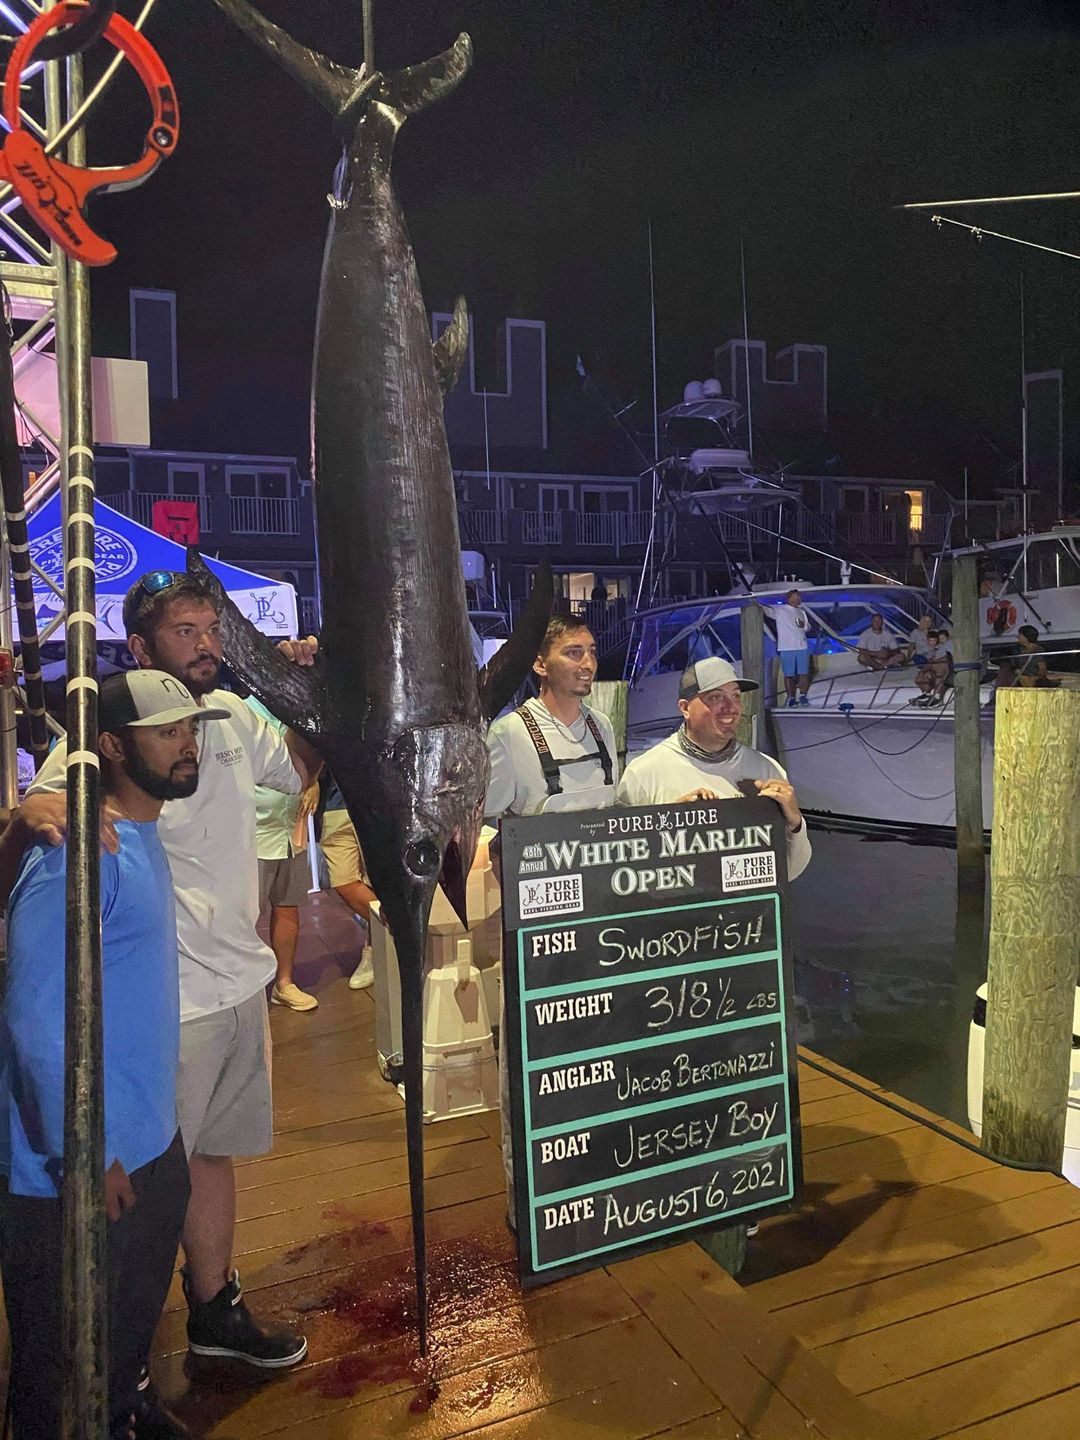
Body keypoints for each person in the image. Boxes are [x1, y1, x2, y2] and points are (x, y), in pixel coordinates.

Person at [10, 570, 322, 1374]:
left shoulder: (229, 720)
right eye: (186, 632)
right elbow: (42, 819)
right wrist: (21, 817)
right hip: (165, 1009)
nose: (207, 645)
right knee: (141, 1193)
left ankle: (213, 1309)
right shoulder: (103, 736)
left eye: (211, 629)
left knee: (210, 1158)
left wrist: (306, 693)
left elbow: (297, 767)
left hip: (238, 986)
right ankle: (126, 1367)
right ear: (142, 646)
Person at [0, 670, 231, 1439]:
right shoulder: (77, 848)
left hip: (148, 1149)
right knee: (54, 1373)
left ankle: (130, 1409)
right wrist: (84, 1152)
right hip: (73, 1171)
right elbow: (36, 1017)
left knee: (126, 1338)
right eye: (167, 732)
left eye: (189, 729)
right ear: (110, 746)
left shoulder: (139, 832)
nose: (186, 744)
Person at [615, 656, 811, 880]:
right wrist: (669, 821)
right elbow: (625, 869)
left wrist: (795, 824)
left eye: (736, 696)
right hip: (680, 912)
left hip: (748, 910)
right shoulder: (643, 773)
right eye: (716, 697)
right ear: (685, 708)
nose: (731, 707)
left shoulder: (768, 770)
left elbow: (790, 871)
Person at [485, 614, 619, 818]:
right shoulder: (509, 734)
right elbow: (486, 822)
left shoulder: (601, 726)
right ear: (540, 665)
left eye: (591, 652)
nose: (589, 664)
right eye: (574, 653)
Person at [247, 694, 320, 1013]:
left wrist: (314, 782)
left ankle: (284, 983)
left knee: (288, 907)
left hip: (292, 830)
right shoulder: (245, 714)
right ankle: (244, 990)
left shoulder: (299, 714)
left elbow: (313, 759)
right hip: (253, 832)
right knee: (246, 915)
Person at [319, 774, 377, 990]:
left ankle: (374, 951)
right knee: (344, 881)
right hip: (334, 806)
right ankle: (399, 938)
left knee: (377, 883)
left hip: (375, 803)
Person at [772, 589, 813, 707]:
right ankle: (790, 697)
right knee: (789, 674)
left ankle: (802, 695)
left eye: (798, 597)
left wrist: (803, 625)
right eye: (795, 597)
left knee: (803, 673)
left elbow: (807, 627)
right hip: (786, 647)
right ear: (788, 598)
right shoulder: (779, 610)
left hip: (802, 646)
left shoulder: (802, 612)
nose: (797, 599)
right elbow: (765, 609)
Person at [911, 629, 952, 706]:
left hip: (948, 672)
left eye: (943, 638)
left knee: (939, 671)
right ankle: (926, 694)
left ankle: (937, 697)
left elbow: (943, 660)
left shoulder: (949, 645)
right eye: (939, 639)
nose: (941, 641)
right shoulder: (934, 650)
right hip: (938, 669)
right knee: (926, 675)